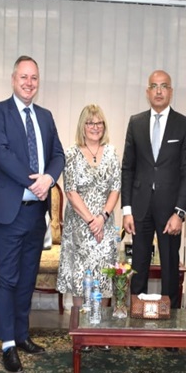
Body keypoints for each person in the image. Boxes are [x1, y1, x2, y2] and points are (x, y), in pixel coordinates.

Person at [0, 56, 65, 373]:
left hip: (35, 214)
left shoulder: (45, 116)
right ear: (13, 78)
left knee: (27, 278)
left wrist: (50, 179)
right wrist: (37, 179)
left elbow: (57, 154)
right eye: (24, 77)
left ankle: (21, 334)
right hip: (8, 213)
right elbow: (0, 154)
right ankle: (6, 345)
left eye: (34, 78)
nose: (29, 83)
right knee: (7, 278)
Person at [121, 70, 186, 310]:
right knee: (139, 268)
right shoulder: (136, 122)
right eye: (154, 86)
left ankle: (171, 327)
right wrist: (127, 210)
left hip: (170, 212)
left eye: (164, 86)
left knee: (170, 269)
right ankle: (136, 324)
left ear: (171, 91)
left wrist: (180, 212)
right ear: (148, 92)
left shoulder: (184, 125)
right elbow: (127, 168)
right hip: (140, 208)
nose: (159, 91)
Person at [56, 104, 121, 310]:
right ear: (82, 126)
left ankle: (100, 330)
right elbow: (70, 191)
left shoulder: (111, 152)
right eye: (90, 122)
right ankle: (80, 332)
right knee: (80, 279)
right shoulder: (71, 153)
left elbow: (115, 188)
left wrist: (102, 217)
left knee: (103, 277)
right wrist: (92, 221)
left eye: (99, 122)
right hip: (80, 226)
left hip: (105, 224)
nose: (95, 126)